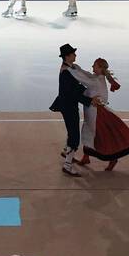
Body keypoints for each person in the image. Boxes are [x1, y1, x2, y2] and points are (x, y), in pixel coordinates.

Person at [49, 44, 95, 177]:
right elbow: (73, 93)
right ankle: (67, 165)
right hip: (68, 106)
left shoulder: (71, 68)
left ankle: (66, 151)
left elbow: (77, 87)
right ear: (67, 56)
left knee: (72, 130)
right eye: (73, 54)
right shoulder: (66, 72)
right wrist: (89, 100)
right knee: (74, 135)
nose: (75, 55)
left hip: (69, 104)